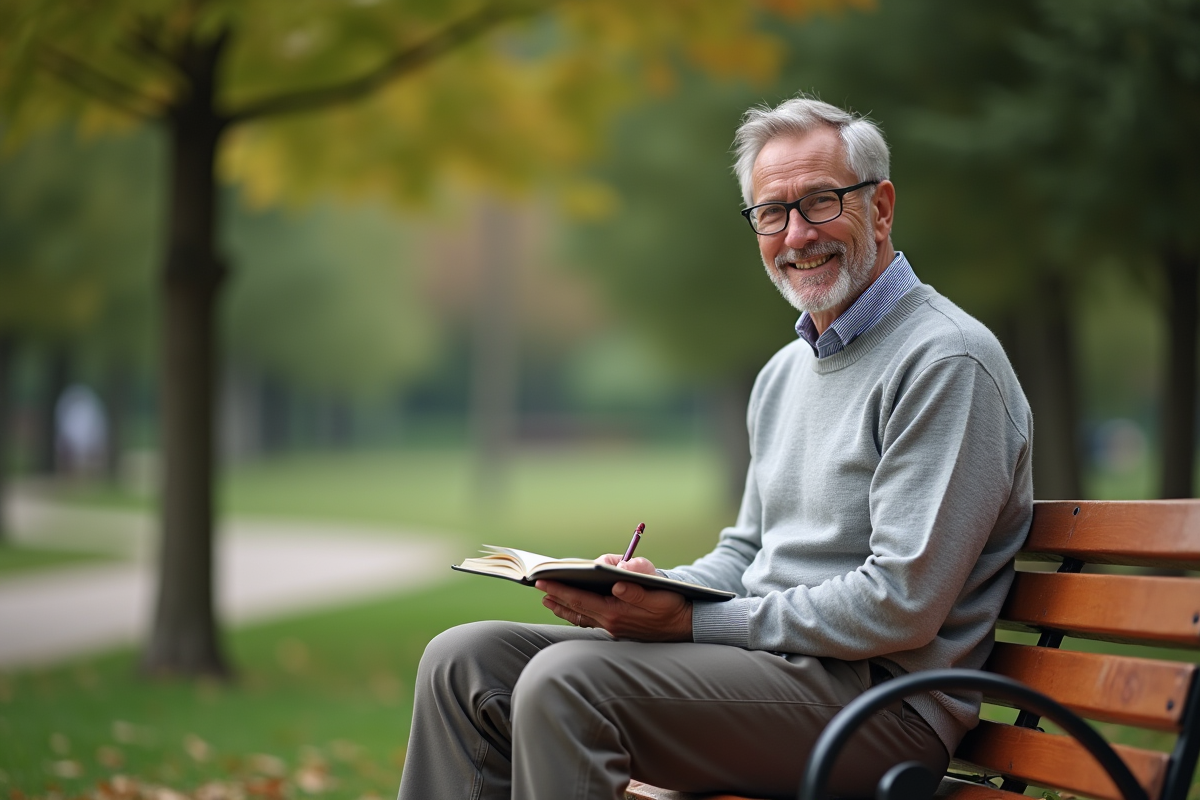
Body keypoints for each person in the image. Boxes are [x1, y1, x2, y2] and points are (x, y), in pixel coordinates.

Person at [396, 95, 1032, 800]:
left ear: (880, 208)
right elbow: (748, 551)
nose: (796, 235)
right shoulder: (785, 371)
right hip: (773, 674)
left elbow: (901, 603)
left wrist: (695, 622)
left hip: (880, 709)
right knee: (463, 661)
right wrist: (652, 589)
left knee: (567, 682)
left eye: (821, 202)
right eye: (771, 212)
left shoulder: (946, 361)